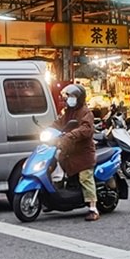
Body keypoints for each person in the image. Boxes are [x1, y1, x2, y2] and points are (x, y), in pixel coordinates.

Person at [51, 84, 99, 221]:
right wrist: (46, 130)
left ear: (79, 98)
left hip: (83, 153)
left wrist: (71, 135)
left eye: (72, 97)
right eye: (68, 97)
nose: (69, 100)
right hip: (69, 151)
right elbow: (58, 124)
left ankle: (93, 208)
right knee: (55, 166)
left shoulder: (86, 113)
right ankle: (55, 199)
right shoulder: (67, 112)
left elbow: (86, 129)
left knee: (85, 177)